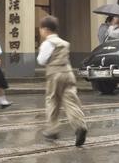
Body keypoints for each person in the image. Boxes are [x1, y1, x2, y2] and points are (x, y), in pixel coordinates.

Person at [37, 16, 87, 147]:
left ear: (45, 29)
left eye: (40, 29)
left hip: (55, 74)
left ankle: (52, 130)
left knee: (52, 101)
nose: (40, 31)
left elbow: (41, 60)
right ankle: (80, 126)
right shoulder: (64, 43)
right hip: (68, 73)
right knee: (71, 101)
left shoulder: (48, 43)